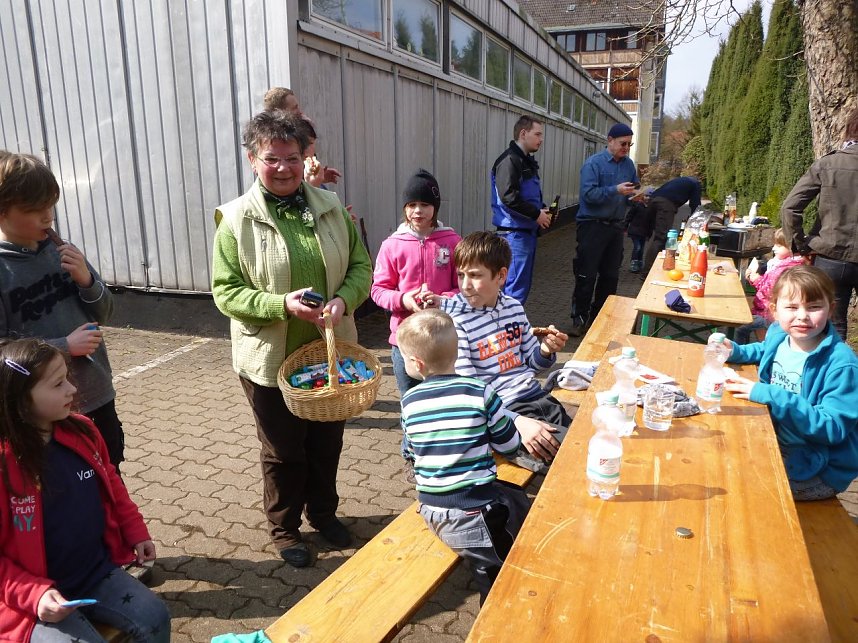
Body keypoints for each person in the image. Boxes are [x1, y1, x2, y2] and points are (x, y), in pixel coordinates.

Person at [211, 111, 372, 568]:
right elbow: (226, 292)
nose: (283, 168)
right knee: (283, 451)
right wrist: (281, 304)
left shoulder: (331, 206)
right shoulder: (235, 219)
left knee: (326, 441)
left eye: (293, 158)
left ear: (306, 158)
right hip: (269, 360)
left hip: (328, 352)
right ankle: (284, 529)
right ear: (252, 160)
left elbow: (361, 266)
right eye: (272, 158)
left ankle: (322, 513)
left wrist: (343, 300)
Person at [0, 338, 170, 642]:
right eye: (58, 384)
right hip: (29, 597)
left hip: (93, 575)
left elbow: (112, 483)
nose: (72, 389)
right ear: (21, 399)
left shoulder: (83, 430)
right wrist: (35, 595)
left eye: (67, 377)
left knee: (155, 616)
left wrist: (136, 532)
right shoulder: (5, 465)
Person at [0, 152, 126, 472]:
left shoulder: (63, 251)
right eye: (34, 209)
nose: (48, 217)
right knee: (57, 489)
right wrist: (63, 347)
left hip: (96, 395)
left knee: (109, 477)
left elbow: (105, 313)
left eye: (50, 205)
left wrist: (86, 280)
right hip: (38, 412)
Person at [396, 309, 530, 605]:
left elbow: (411, 451)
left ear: (417, 364)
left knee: (512, 498)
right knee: (498, 566)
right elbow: (509, 444)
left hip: (431, 508)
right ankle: (497, 606)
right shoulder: (479, 392)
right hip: (473, 512)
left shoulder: (409, 401)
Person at [724, 266, 858, 501]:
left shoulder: (842, 365)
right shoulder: (780, 335)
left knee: (744, 488)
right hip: (780, 442)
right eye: (792, 307)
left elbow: (832, 429)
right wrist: (735, 351)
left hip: (818, 467)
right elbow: (764, 349)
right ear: (774, 310)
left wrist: (771, 395)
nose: (802, 316)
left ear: (830, 310)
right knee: (724, 450)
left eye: (814, 307)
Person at [441, 231, 570, 472]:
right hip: (503, 414)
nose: (465, 285)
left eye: (475, 275)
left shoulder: (513, 308)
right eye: (460, 275)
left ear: (501, 276)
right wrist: (517, 421)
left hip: (538, 397)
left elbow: (532, 365)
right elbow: (471, 393)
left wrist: (545, 350)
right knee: (570, 460)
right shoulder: (456, 323)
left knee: (587, 440)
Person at [371, 169, 461, 396]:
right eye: (411, 205)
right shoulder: (392, 245)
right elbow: (378, 290)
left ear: (435, 207)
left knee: (443, 400)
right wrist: (403, 300)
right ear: (405, 208)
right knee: (410, 400)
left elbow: (463, 287)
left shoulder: (452, 242)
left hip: (443, 338)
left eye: (425, 204)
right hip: (404, 342)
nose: (418, 210)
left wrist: (442, 300)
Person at [780, 106, 858, 340]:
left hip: (830, 257)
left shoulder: (828, 164)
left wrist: (800, 246)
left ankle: (832, 366)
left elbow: (790, 208)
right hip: (831, 256)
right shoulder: (828, 164)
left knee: (832, 328)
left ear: (850, 129)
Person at [569, 123, 639, 336]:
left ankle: (600, 319)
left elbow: (632, 189)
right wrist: (615, 190)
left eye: (629, 144)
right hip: (592, 225)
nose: (626, 148)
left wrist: (637, 197)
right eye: (622, 143)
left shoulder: (629, 165)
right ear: (610, 140)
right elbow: (588, 195)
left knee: (610, 276)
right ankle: (579, 319)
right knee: (586, 274)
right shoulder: (593, 164)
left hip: (615, 227)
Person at [490, 115, 551, 305]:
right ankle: (510, 324)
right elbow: (508, 198)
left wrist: (542, 209)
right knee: (514, 291)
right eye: (538, 134)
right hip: (514, 235)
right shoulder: (510, 160)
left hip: (523, 234)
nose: (541, 139)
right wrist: (536, 214)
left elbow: (525, 195)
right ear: (523, 133)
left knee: (518, 288)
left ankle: (512, 322)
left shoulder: (523, 161)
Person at [734, 228, 805, 344]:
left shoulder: (785, 269)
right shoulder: (789, 263)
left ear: (791, 247)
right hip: (766, 309)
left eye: (779, 245)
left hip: (768, 313)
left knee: (740, 327)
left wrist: (755, 279)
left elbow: (770, 290)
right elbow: (769, 281)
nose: (773, 248)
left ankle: (740, 351)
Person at [264, 88, 342, 186]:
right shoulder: (275, 139)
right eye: (295, 108)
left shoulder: (298, 126)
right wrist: (312, 185)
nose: (300, 112)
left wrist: (318, 175)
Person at [640, 176, 702, 275]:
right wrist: (697, 220)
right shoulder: (695, 184)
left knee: (653, 235)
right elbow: (695, 204)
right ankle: (647, 272)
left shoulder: (682, 180)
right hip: (666, 204)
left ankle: (643, 264)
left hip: (654, 200)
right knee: (661, 238)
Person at [624, 197, 652, 273]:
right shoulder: (637, 206)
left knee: (642, 248)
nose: (647, 198)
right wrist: (625, 227)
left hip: (644, 232)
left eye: (649, 196)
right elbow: (629, 216)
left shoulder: (650, 208)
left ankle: (639, 263)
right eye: (646, 196)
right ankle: (634, 263)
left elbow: (651, 223)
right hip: (635, 231)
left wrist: (649, 234)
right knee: (637, 247)